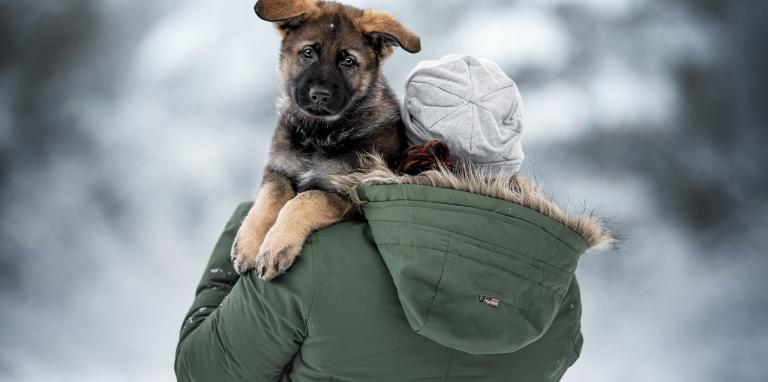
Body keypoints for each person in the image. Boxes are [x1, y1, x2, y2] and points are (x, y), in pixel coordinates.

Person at [174, 55, 613, 381]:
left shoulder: (313, 257)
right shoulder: (553, 289)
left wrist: (252, 218)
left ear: (404, 137)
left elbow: (203, 371)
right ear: (511, 152)